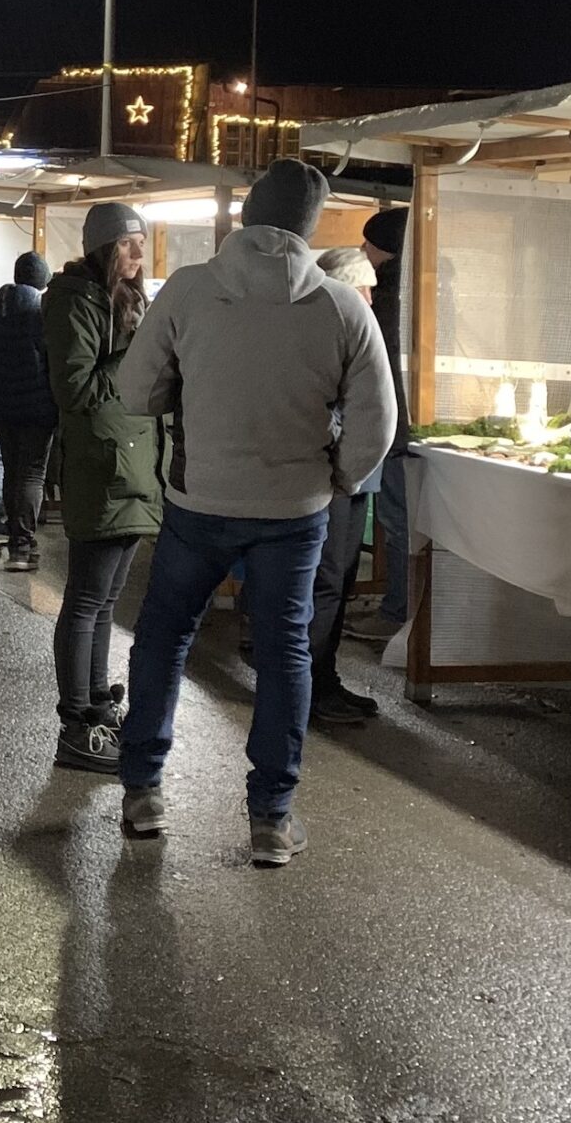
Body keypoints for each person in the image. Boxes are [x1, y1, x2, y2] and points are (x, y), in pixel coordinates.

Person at [113, 159, 396, 868]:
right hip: (294, 511)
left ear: (246, 216)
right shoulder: (342, 306)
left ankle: (143, 791)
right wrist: (338, 477)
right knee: (284, 652)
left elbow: (135, 391)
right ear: (310, 228)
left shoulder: (189, 289)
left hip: (198, 500)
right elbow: (378, 421)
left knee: (164, 637)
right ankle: (271, 818)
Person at [41, 205, 162, 774]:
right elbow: (75, 388)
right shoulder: (74, 301)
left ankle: (97, 707)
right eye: (127, 244)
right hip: (103, 464)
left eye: (141, 242)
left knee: (107, 600)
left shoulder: (124, 299)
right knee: (86, 600)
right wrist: (138, 355)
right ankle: (76, 723)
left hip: (134, 461)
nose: (139, 253)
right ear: (102, 248)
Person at [305, 245, 391, 727]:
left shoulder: (354, 330)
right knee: (326, 580)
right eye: (363, 290)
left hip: (355, 475)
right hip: (333, 476)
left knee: (341, 580)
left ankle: (326, 677)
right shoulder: (327, 335)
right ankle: (311, 686)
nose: (370, 300)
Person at [0, 250, 58, 573]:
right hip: (37, 408)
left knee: (12, 471)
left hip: (1, 407)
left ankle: (16, 540)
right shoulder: (41, 312)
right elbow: (53, 360)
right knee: (32, 474)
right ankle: (23, 546)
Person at [359, 208, 412, 632]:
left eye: (370, 244)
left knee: (398, 522)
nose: (363, 251)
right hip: (415, 427)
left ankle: (398, 615)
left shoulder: (385, 300)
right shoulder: (423, 291)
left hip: (395, 428)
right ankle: (403, 613)